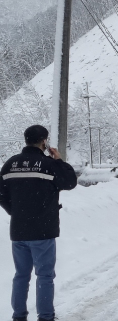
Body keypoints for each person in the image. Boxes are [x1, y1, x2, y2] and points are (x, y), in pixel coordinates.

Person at [0, 125, 77, 321]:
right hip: (43, 231)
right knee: (44, 277)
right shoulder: (48, 164)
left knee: (21, 276)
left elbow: (1, 194)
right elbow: (70, 181)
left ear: (25, 140)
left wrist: (16, 213)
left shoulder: (10, 164)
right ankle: (45, 317)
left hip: (18, 231)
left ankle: (18, 316)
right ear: (44, 142)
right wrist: (58, 159)